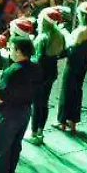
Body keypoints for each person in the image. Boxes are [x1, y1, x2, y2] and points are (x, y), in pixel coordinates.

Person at [0, 36, 38, 173]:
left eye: (12, 48)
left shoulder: (12, 72)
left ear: (19, 51)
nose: (9, 51)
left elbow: (1, 95)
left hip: (8, 114)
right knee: (15, 146)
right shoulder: (35, 68)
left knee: (1, 147)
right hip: (25, 112)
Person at [56, 1, 87, 133]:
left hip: (74, 64)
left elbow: (72, 48)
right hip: (84, 63)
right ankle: (73, 121)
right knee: (77, 90)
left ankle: (63, 121)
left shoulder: (82, 30)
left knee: (67, 91)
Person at [29, 7, 67, 144]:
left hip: (40, 73)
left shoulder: (43, 37)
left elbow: (37, 59)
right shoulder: (60, 35)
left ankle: (33, 133)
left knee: (36, 104)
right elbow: (63, 52)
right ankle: (40, 131)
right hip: (51, 71)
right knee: (44, 102)